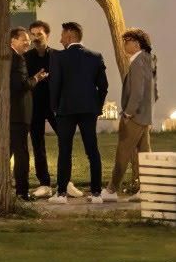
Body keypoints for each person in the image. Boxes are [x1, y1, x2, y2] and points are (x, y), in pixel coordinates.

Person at [50, 20, 108, 203]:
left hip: (66, 110)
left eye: (61, 36)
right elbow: (103, 86)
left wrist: (55, 107)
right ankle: (97, 193)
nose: (60, 41)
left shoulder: (59, 57)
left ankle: (61, 193)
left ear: (69, 35)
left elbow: (55, 85)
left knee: (64, 151)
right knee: (92, 150)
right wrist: (97, 107)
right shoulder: (96, 56)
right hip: (89, 109)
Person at [109, 27, 156, 197]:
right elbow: (153, 91)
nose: (123, 45)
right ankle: (148, 188)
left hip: (135, 116)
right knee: (145, 154)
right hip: (144, 115)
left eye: (126, 41)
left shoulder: (138, 62)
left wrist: (128, 113)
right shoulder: (147, 59)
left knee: (123, 151)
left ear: (136, 44)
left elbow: (137, 91)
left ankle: (111, 190)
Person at [24, 20, 57, 198]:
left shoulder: (57, 57)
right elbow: (24, 83)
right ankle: (44, 183)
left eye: (39, 34)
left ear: (47, 35)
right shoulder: (26, 58)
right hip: (34, 107)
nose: (36, 38)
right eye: (33, 35)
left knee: (65, 142)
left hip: (55, 107)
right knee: (38, 145)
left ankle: (66, 182)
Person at [8, 27, 35, 201]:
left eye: (28, 40)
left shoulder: (7, 58)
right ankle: (22, 191)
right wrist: (36, 79)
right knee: (21, 153)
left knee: (8, 151)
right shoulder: (17, 59)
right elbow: (20, 85)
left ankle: (5, 186)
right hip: (19, 113)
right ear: (13, 41)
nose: (27, 42)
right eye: (24, 39)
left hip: (10, 113)